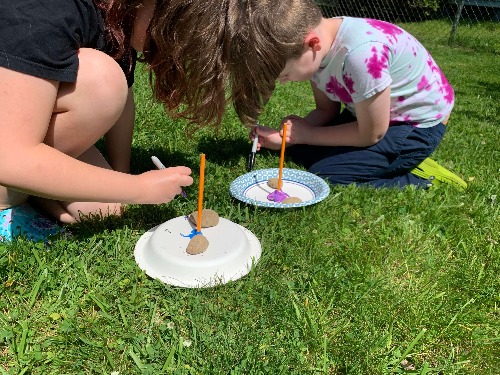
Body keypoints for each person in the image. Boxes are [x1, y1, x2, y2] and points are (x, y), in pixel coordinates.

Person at [0, 0, 251, 242]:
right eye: (174, 32)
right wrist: (137, 188)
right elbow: (9, 158)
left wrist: (121, 176)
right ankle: (7, 203)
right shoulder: (46, 10)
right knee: (103, 81)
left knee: (105, 208)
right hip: (7, 149)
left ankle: (34, 186)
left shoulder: (121, 17)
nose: (172, 51)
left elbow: (123, 101)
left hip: (21, 122)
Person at [238, 0, 467, 190]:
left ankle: (419, 178)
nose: (283, 81)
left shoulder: (360, 56)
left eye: (285, 74)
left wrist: (306, 134)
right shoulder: (321, 53)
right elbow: (325, 110)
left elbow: (372, 134)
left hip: (415, 126)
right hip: (371, 115)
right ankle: (383, 161)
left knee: (327, 173)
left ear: (312, 44)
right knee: (304, 152)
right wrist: (287, 139)